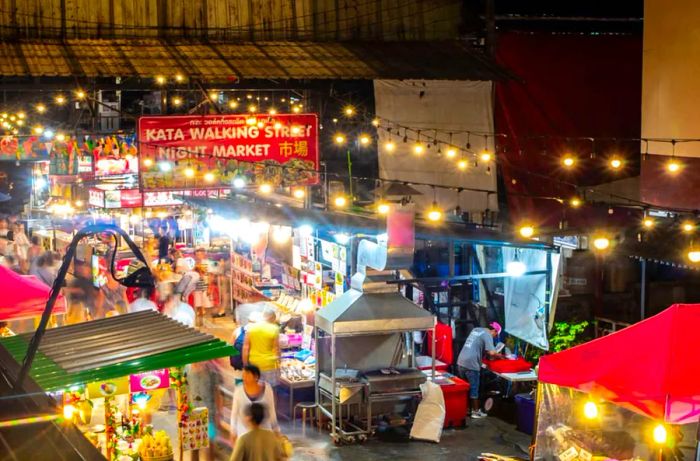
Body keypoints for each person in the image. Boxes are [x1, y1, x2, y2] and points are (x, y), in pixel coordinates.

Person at [456, 322, 504, 419]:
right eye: (496, 335)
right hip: (471, 364)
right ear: (494, 331)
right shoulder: (488, 335)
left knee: (465, 389)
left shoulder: (476, 329)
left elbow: (477, 346)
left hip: (461, 362)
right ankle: (476, 412)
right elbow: (491, 352)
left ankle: (467, 409)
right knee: (474, 389)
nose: (495, 337)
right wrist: (500, 356)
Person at [230, 365, 280, 448]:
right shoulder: (239, 391)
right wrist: (233, 431)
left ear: (256, 377)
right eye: (244, 375)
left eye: (248, 375)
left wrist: (276, 428)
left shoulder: (267, 389)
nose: (244, 378)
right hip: (244, 432)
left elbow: (271, 410)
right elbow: (234, 413)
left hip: (264, 431)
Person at [243, 307, 280, 387]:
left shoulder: (251, 328)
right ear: (272, 319)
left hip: (254, 363)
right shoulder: (274, 329)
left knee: (256, 387)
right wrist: (279, 363)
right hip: (269, 364)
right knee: (270, 390)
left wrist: (245, 364)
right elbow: (276, 349)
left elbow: (246, 347)